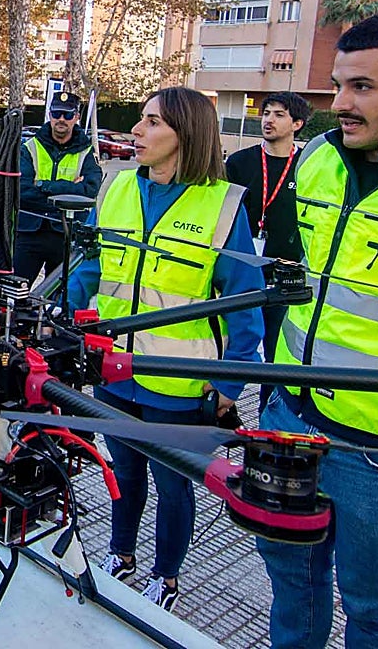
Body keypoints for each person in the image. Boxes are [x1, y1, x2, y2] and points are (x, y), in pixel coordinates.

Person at [68, 86, 264, 612]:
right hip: (113, 370)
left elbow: (245, 306)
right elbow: (88, 270)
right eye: (140, 120)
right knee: (123, 472)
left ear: (186, 135)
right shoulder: (114, 190)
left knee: (172, 486)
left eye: (152, 122)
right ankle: (121, 553)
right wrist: (65, 326)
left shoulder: (222, 205)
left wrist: (229, 386)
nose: (137, 131)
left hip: (180, 378)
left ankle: (166, 576)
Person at [256, 9, 378, 649]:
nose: (339, 103)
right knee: (291, 583)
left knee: (375, 611)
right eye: (339, 84)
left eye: (363, 87)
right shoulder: (318, 158)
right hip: (290, 415)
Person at [225, 91, 311, 415]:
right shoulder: (240, 162)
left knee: (275, 356)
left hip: (285, 276)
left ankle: (266, 418)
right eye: (266, 113)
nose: (269, 120)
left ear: (297, 124)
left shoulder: (306, 167)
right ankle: (221, 405)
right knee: (231, 342)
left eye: (278, 114)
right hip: (241, 272)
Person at [14, 90, 102, 284]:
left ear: (77, 117)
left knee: (60, 303)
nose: (61, 119)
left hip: (67, 235)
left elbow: (89, 191)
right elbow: (21, 190)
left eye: (68, 115)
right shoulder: (29, 147)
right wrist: (69, 190)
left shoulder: (86, 151)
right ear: (49, 115)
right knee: (15, 296)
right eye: (57, 113)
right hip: (30, 233)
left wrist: (43, 185)